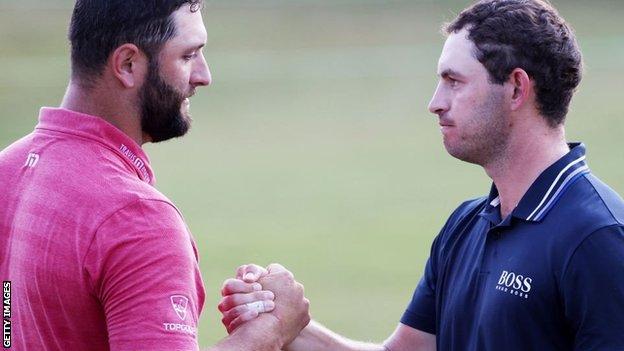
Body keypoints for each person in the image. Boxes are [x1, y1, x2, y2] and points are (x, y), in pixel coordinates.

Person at [219, 0, 624, 349]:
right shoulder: (465, 226)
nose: (435, 103)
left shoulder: (596, 238)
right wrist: (287, 325)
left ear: (516, 89)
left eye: (453, 81)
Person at [0, 1, 309, 350]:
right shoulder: (136, 218)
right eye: (188, 56)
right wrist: (271, 330)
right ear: (128, 64)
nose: (204, 76)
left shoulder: (6, 169)